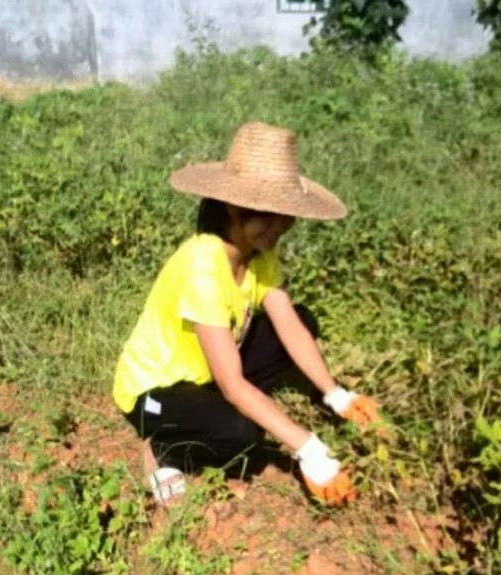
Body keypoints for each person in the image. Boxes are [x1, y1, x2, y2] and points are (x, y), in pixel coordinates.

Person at [112, 121, 383, 506]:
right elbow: (232, 384)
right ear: (233, 207)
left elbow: (288, 325)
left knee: (303, 319)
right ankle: (166, 448)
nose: (280, 227)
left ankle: (224, 411)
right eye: (267, 215)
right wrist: (309, 449)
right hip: (155, 390)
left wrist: (336, 394)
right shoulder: (202, 266)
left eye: (285, 215)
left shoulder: (258, 253)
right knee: (241, 433)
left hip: (209, 371)